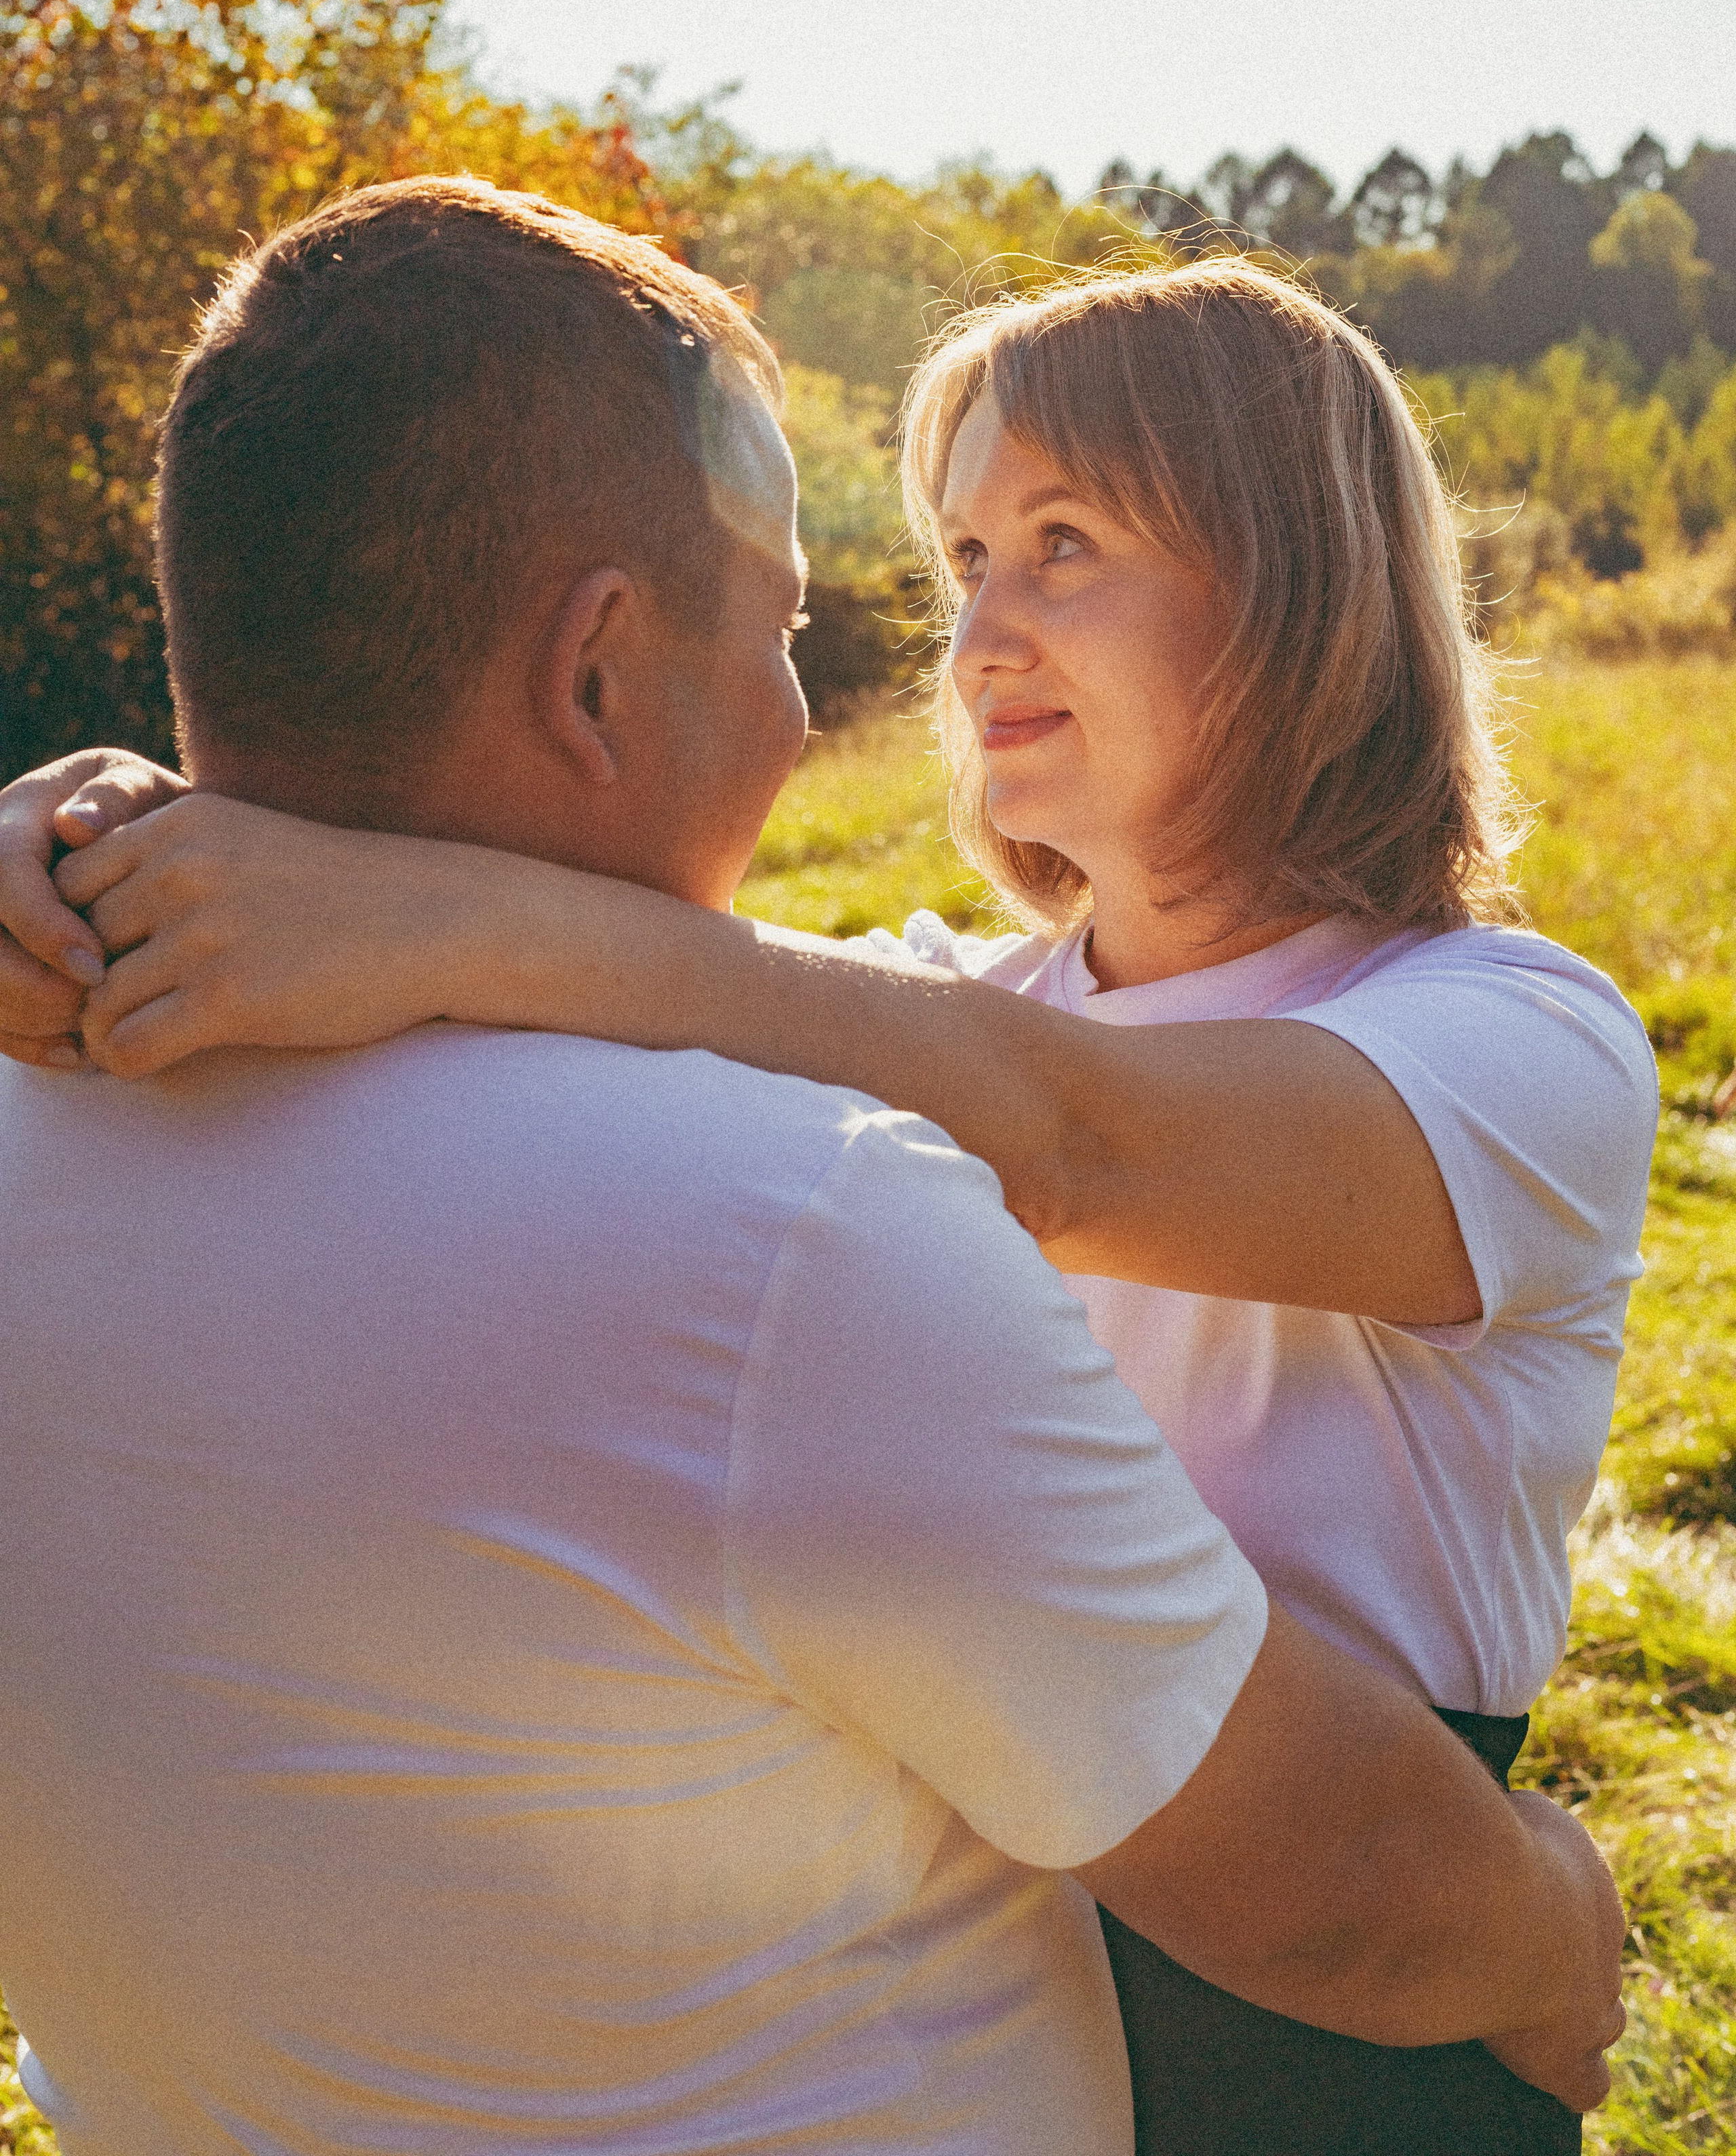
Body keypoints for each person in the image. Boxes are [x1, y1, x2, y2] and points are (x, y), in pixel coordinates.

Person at [0, 197, 1628, 2156]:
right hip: (1085, 1839)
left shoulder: (1516, 1037)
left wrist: (424, 908)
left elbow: (1072, 1134)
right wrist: (92, 822)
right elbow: (783, 1018)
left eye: (1065, 545)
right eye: (961, 558)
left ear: (1294, 585)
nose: (979, 630)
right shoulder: (934, 1007)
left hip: (1350, 1953)